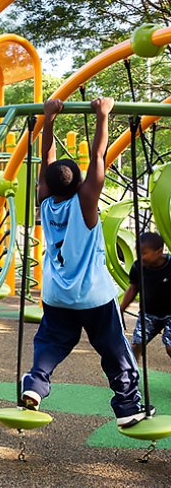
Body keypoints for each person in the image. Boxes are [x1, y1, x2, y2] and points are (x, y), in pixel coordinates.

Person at [23, 97, 150, 428]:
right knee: (114, 349)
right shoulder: (86, 202)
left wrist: (48, 120)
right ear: (79, 184)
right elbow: (98, 156)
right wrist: (103, 115)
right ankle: (127, 407)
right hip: (93, 294)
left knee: (51, 341)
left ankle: (35, 385)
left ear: (47, 186)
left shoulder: (46, 202)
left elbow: (45, 158)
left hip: (57, 293)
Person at [119, 231, 171, 363]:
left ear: (159, 251)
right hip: (149, 313)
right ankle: (130, 376)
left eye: (145, 253)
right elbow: (133, 288)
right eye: (138, 253)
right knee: (136, 345)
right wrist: (121, 309)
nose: (141, 257)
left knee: (170, 347)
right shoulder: (138, 267)